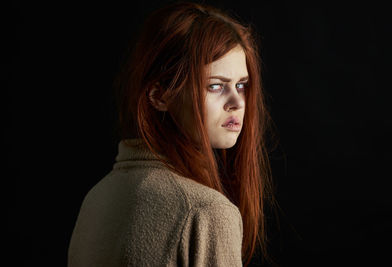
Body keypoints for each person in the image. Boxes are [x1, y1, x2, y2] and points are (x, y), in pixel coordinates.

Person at [68, 1, 278, 266]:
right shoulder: (206, 212)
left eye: (241, 85)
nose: (237, 102)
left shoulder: (97, 198)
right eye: (215, 86)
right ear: (160, 96)